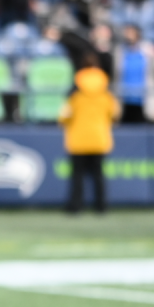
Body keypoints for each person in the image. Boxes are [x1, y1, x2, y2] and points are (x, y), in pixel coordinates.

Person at [59, 55, 119, 213]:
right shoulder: (106, 92)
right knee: (98, 175)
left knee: (77, 176)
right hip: (99, 138)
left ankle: (75, 207)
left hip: (78, 139)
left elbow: (64, 116)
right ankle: (101, 206)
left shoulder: (74, 92)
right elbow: (114, 114)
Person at [116, 24, 154, 123]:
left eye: (131, 33)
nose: (129, 36)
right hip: (125, 99)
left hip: (144, 100)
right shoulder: (120, 52)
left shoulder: (148, 50)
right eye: (127, 32)